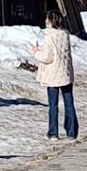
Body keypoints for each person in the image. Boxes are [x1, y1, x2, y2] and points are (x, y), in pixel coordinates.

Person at [32, 11, 78, 140]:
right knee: (69, 103)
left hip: (52, 74)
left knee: (53, 105)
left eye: (47, 19)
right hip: (65, 72)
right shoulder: (65, 34)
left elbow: (48, 57)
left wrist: (36, 52)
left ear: (51, 21)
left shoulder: (49, 37)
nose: (46, 21)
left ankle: (53, 132)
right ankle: (71, 132)